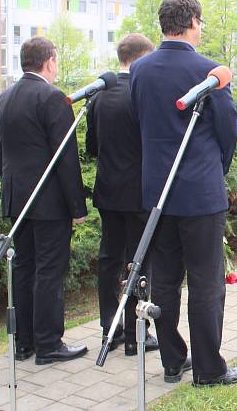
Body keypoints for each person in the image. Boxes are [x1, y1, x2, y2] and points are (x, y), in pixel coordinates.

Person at [129, 0, 237, 386]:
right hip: (200, 194)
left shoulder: (140, 70)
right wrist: (216, 168)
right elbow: (229, 128)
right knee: (205, 282)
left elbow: (139, 123)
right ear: (193, 21)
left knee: (163, 281)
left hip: (155, 194)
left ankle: (172, 361)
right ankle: (210, 369)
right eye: (202, 21)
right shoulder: (209, 70)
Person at [0, 36, 88, 365]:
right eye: (56, 61)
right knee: (49, 270)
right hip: (49, 204)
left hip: (17, 200)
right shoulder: (53, 98)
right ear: (48, 62)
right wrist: (78, 207)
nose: (56, 67)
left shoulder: (3, 98)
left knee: (23, 268)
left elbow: (1, 153)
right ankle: (48, 344)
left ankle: (23, 343)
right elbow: (66, 158)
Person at [85, 33, 163, 357]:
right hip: (140, 194)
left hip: (108, 191)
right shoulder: (142, 93)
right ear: (142, 58)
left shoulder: (99, 96)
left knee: (109, 260)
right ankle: (136, 334)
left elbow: (91, 148)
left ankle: (109, 328)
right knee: (140, 262)